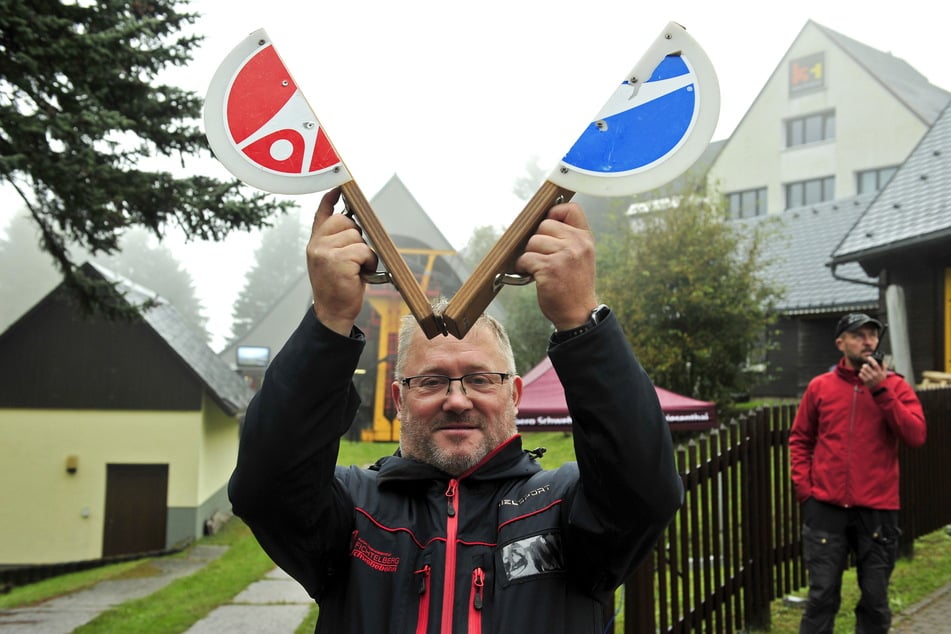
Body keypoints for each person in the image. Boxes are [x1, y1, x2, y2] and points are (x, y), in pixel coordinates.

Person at [228, 188, 683, 633]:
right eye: (430, 381)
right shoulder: (354, 513)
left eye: (482, 378)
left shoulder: (564, 508)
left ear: (515, 394)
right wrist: (329, 320)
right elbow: (265, 488)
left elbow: (646, 490)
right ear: (399, 400)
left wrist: (581, 318)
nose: (458, 399)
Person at [789, 313, 926, 634]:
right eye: (858, 335)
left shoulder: (895, 386)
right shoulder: (820, 387)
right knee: (821, 597)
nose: (867, 341)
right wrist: (804, 490)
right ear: (841, 343)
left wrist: (880, 392)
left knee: (875, 600)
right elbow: (800, 439)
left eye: (872, 335)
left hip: (878, 511)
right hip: (826, 508)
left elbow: (916, 436)